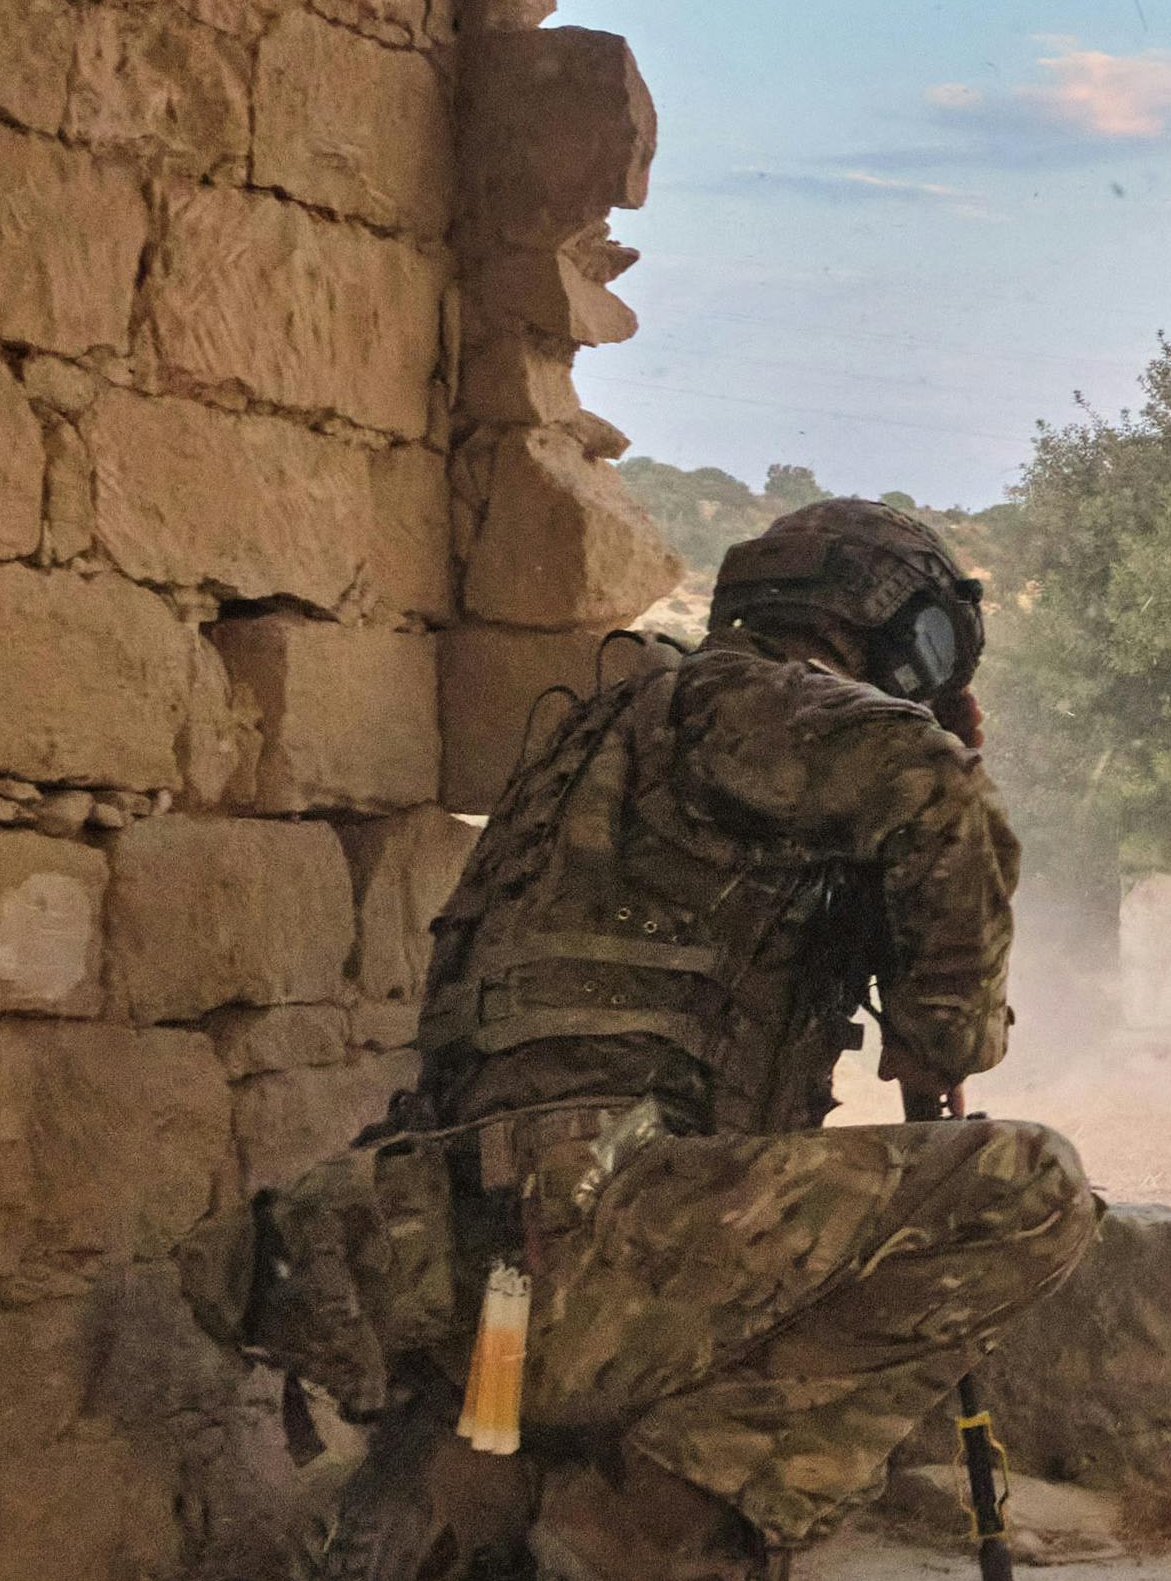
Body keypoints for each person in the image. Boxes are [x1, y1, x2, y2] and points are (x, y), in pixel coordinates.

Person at [312, 499, 1100, 1581]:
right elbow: (931, 784)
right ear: (869, 625)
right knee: (1027, 1189)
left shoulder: (599, 741)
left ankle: (471, 1502)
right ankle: (644, 1530)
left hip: (462, 1270)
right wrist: (941, 1034)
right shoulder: (745, 704)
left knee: (496, 1457)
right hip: (602, 1245)